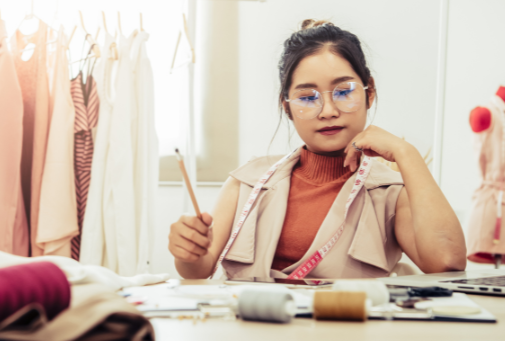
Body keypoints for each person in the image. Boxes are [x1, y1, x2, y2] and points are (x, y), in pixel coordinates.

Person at [168, 20, 466, 279]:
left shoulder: (392, 193)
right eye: (307, 98)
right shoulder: (246, 182)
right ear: (287, 107)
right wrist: (188, 251)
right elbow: (200, 270)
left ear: (369, 92)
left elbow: (447, 263)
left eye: (344, 91)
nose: (327, 111)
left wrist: (406, 153)